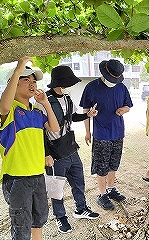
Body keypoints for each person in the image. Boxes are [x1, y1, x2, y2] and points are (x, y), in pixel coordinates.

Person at [0, 56, 60, 240]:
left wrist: (45, 102)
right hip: (17, 178)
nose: (32, 84)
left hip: (37, 175)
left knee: (38, 219)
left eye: (34, 81)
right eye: (26, 80)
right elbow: (4, 104)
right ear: (14, 83)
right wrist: (18, 70)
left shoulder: (37, 112)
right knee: (21, 227)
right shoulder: (9, 111)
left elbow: (54, 128)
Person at [41, 65, 100, 233]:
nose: (71, 84)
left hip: (71, 148)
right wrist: (46, 154)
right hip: (55, 152)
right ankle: (60, 217)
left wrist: (88, 115)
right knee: (56, 187)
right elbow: (40, 132)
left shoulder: (66, 98)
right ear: (60, 82)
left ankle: (81, 209)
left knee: (78, 181)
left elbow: (73, 116)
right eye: (68, 81)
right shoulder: (44, 101)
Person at [79, 59, 133, 210]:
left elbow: (128, 105)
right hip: (101, 134)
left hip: (118, 132)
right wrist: (87, 131)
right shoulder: (92, 87)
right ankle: (102, 194)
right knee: (102, 166)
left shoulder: (121, 87)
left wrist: (123, 110)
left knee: (113, 164)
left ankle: (111, 189)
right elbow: (85, 110)